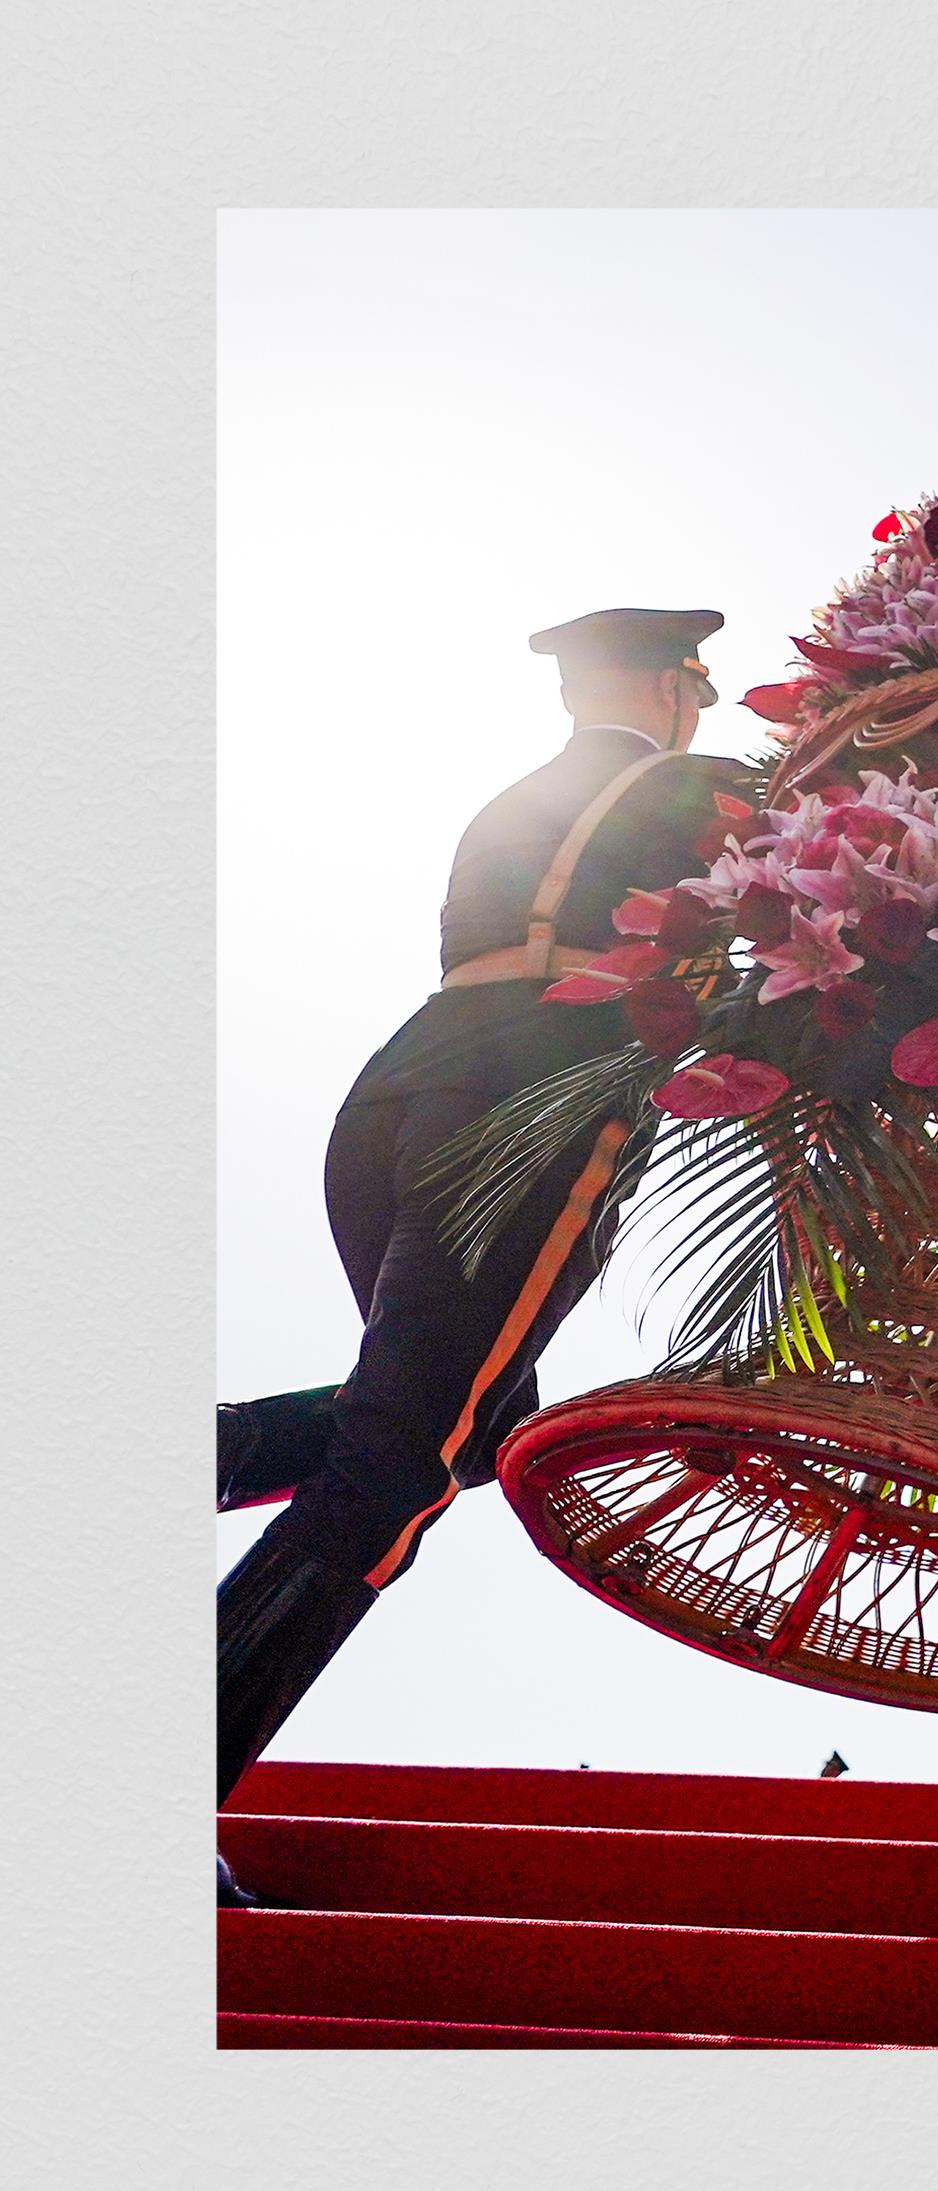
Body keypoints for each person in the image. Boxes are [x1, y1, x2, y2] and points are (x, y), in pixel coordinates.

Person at [215, 609, 749, 1900]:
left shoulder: (518, 798)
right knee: (400, 1462)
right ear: (673, 686)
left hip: (400, 1090)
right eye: (700, 687)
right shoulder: (695, 787)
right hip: (530, 1105)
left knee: (465, 1429)